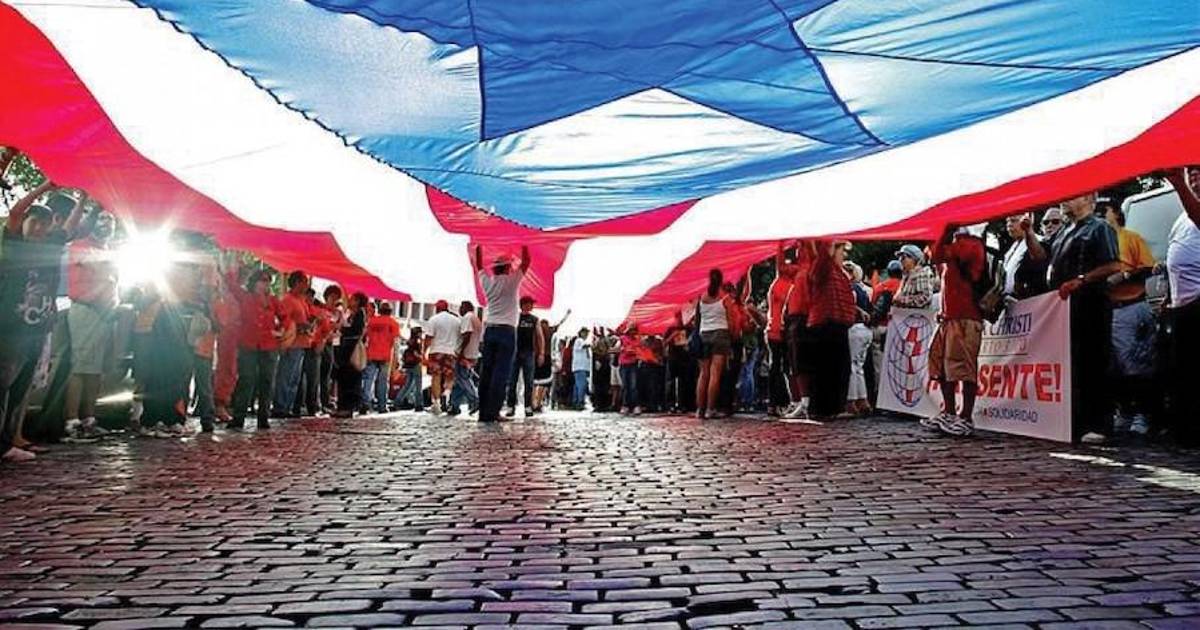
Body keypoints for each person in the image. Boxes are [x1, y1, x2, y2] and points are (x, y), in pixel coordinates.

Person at [0, 179, 81, 461]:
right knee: (3, 386)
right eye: (34, 222)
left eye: (44, 225)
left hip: (38, 328)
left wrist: (83, 198)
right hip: (10, 328)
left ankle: (8, 442)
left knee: (20, 390)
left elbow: (69, 228)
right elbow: (15, 213)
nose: (38, 228)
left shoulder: (50, 246)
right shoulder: (14, 246)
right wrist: (44, 189)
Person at [1047, 192, 1120, 444]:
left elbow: (1113, 265)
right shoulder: (1064, 232)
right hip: (1065, 308)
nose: (1065, 200)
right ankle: (1075, 421)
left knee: (1094, 361)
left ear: (1089, 197)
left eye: (1072, 196)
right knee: (1072, 363)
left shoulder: (1099, 228)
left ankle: (1099, 424)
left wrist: (1082, 280)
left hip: (1091, 304)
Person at [923, 225, 987, 436]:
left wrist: (944, 231)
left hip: (966, 317)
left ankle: (966, 417)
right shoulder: (957, 244)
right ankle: (949, 413)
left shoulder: (971, 244)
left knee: (964, 367)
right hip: (949, 317)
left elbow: (937, 254)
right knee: (941, 366)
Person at [1103, 202, 1157, 437]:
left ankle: (1143, 414)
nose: (1099, 214)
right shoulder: (1099, 242)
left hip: (1131, 306)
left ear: (1115, 213)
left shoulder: (1130, 238)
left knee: (1136, 363)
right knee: (1114, 366)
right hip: (1108, 310)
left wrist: (1123, 275)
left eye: (1104, 210)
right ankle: (1124, 411)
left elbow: (1148, 268)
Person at [63, 212, 118, 440]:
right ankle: (71, 422)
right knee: (81, 366)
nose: (106, 224)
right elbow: (100, 273)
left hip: (104, 313)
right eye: (102, 218)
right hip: (85, 309)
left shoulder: (109, 250)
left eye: (111, 220)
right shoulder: (80, 246)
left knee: (95, 369)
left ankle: (89, 419)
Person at [1164, 167, 1200, 446]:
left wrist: (1178, 185)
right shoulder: (1180, 217)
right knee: (1182, 371)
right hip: (1181, 304)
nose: (1195, 178)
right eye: (1191, 174)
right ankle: (1185, 429)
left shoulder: (1191, 208)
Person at [474, 245, 530, 423]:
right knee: (501, 373)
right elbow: (526, 262)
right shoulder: (511, 282)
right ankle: (494, 411)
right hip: (507, 331)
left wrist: (479, 249)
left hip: (490, 330)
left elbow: (479, 267)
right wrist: (525, 243)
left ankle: (483, 412)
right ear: (507, 267)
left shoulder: (487, 282)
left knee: (487, 372)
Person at [228, 266, 285, 430]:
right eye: (262, 281)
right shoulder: (245, 297)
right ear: (254, 283)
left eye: (267, 282)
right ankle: (239, 417)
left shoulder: (273, 301)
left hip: (269, 345)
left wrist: (281, 329)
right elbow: (232, 285)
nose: (265, 285)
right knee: (246, 379)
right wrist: (232, 266)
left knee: (267, 381)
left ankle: (263, 417)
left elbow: (285, 318)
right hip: (248, 344)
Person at [806, 241, 857, 419]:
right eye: (841, 251)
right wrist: (828, 247)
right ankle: (824, 410)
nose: (843, 256)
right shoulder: (823, 267)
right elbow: (820, 261)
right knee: (826, 370)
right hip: (826, 324)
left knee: (839, 369)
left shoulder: (838, 273)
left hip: (837, 324)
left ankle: (833, 408)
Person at [695, 269, 735, 419]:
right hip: (721, 334)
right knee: (715, 374)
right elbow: (731, 322)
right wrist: (732, 337)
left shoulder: (702, 297)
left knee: (703, 374)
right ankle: (710, 409)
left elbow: (697, 319)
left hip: (704, 334)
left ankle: (700, 409)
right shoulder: (725, 298)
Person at [782, 242, 815, 419]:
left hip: (805, 317)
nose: (798, 250)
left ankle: (807, 401)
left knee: (803, 361)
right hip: (796, 319)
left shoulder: (811, 269)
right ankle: (804, 400)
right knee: (797, 362)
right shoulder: (799, 270)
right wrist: (779, 245)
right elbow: (781, 267)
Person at [272, 270, 311, 418]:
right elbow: (283, 321)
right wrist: (298, 326)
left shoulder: (301, 300)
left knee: (294, 378)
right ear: (297, 283)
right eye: (304, 282)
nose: (306, 285)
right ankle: (280, 407)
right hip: (291, 343)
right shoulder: (288, 300)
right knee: (286, 376)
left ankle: (287, 406)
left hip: (301, 343)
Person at [765, 242, 795, 417]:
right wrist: (781, 245)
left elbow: (780, 262)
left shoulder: (777, 283)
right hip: (781, 331)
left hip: (774, 330)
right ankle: (782, 401)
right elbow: (780, 262)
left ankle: (776, 402)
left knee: (776, 366)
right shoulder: (787, 284)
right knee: (783, 366)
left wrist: (781, 245)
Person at [505, 296, 543, 418]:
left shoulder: (534, 319)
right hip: (515, 352)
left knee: (529, 381)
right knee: (512, 381)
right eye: (530, 304)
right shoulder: (515, 317)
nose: (532, 306)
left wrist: (541, 353)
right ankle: (511, 406)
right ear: (524, 305)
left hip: (528, 352)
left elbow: (539, 336)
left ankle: (528, 406)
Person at [844, 261, 874, 416]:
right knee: (858, 367)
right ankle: (863, 400)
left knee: (851, 366)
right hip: (866, 330)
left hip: (854, 328)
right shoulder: (862, 289)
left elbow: (848, 304)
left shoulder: (849, 289)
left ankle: (851, 401)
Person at [332, 292, 367, 418]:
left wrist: (341, 328)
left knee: (349, 379)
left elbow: (355, 330)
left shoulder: (360, 314)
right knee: (344, 379)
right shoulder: (351, 313)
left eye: (352, 299)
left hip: (350, 350)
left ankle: (347, 407)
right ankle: (343, 406)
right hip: (345, 349)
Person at [1001, 212, 1049, 302]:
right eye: (1007, 221)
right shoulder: (1011, 248)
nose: (1009, 225)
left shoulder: (1038, 243)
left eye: (1013, 221)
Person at [362, 301, 400, 414]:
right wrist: (396, 359)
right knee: (383, 381)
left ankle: (365, 403)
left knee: (369, 379)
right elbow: (395, 342)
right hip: (385, 355)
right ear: (390, 311)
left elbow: (365, 336)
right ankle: (382, 406)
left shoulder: (372, 321)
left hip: (371, 353)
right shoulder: (393, 323)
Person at [425, 300, 461, 415]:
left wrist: (424, 351)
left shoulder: (434, 319)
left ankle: (436, 403)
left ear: (437, 308)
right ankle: (446, 393)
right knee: (449, 377)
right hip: (451, 352)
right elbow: (461, 337)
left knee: (436, 377)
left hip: (436, 351)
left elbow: (429, 337)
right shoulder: (457, 321)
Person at [448, 301, 482, 416]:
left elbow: (467, 335)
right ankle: (454, 405)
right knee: (459, 380)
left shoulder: (467, 318)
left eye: (461, 307)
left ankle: (474, 399)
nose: (459, 310)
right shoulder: (476, 319)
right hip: (473, 353)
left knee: (463, 379)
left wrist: (461, 352)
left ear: (466, 307)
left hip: (465, 354)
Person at [317, 285, 344, 412]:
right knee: (316, 373)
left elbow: (340, 328)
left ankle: (325, 400)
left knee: (327, 375)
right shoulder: (319, 310)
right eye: (332, 298)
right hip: (319, 343)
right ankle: (316, 401)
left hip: (331, 344)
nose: (334, 301)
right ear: (326, 297)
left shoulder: (338, 313)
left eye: (336, 299)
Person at [663, 314, 693, 414]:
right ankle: (670, 405)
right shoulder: (670, 329)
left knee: (684, 382)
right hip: (673, 357)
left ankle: (683, 404)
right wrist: (673, 336)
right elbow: (664, 343)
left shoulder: (688, 328)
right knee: (670, 382)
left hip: (685, 358)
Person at [893, 244, 936, 309]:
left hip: (917, 317)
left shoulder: (921, 273)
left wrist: (901, 300)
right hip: (906, 316)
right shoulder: (907, 275)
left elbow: (925, 297)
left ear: (914, 259)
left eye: (903, 257)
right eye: (899, 257)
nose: (900, 260)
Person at [394, 327, 424, 412]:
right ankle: (419, 404)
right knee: (418, 385)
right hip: (415, 365)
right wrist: (421, 358)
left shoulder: (410, 341)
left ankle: (397, 401)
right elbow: (416, 353)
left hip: (408, 365)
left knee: (407, 384)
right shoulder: (417, 341)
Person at [616, 323, 642, 415]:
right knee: (625, 386)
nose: (633, 332)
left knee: (633, 386)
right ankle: (625, 405)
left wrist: (635, 352)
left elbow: (640, 351)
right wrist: (623, 349)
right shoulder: (622, 339)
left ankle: (635, 405)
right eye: (631, 330)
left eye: (634, 330)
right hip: (624, 364)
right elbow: (615, 348)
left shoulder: (637, 341)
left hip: (633, 364)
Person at [570, 328, 592, 409]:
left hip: (582, 367)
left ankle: (576, 401)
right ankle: (580, 401)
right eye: (585, 333)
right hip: (580, 367)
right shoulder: (579, 340)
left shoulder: (582, 341)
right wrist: (593, 343)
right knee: (581, 385)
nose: (586, 335)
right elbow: (584, 346)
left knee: (577, 385)